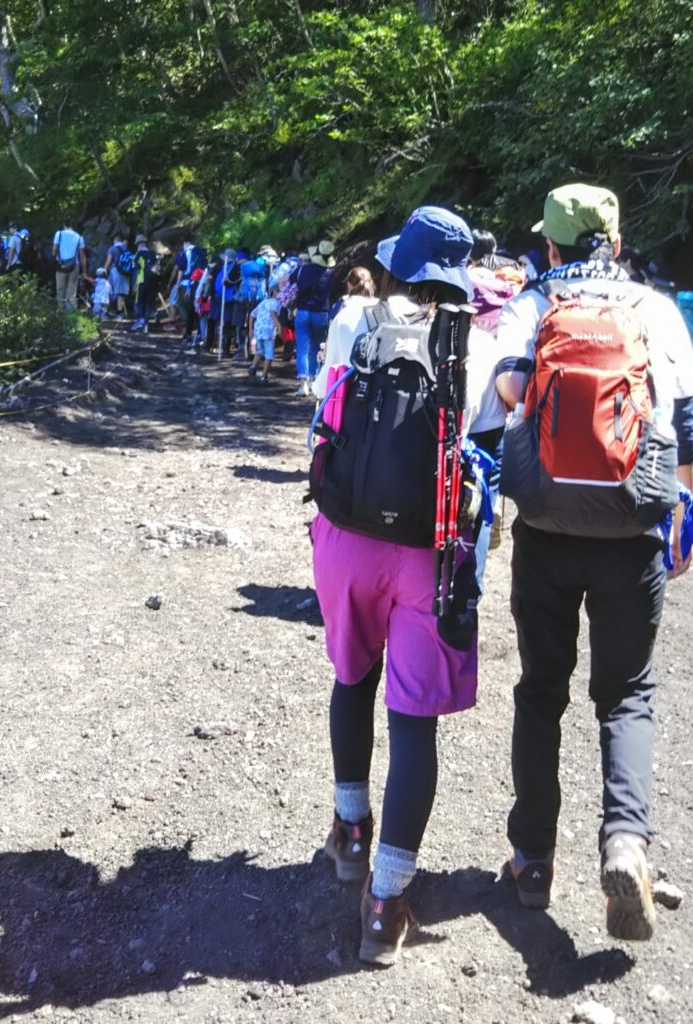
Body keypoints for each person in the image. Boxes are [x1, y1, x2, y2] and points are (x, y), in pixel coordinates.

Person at [494, 183, 693, 941]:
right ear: (614, 242)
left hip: (546, 528)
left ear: (549, 246)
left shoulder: (533, 304)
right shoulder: (654, 308)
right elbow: (684, 420)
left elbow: (510, 393)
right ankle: (624, 843)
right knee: (626, 695)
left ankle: (531, 860)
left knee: (539, 692)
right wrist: (680, 521)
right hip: (632, 531)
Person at [312, 207, 498, 966]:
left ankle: (349, 831)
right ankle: (385, 903)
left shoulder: (350, 322)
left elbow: (319, 419)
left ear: (396, 264)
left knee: (352, 678)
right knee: (413, 721)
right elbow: (482, 449)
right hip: (432, 553)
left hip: (347, 537)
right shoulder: (479, 346)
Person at [312, 266, 376, 399]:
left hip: (348, 387)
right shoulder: (382, 310)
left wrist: (318, 388)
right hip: (377, 387)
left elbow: (332, 359)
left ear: (349, 285)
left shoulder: (343, 314)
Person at [292, 240, 336, 396]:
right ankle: (313, 381)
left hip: (303, 311)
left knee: (302, 348)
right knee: (317, 348)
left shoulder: (303, 269)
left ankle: (302, 385)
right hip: (321, 313)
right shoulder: (331, 272)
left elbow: (289, 284)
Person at [247, 285, 282, 383]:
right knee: (269, 354)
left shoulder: (263, 302)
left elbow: (252, 314)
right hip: (268, 330)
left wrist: (251, 329)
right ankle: (264, 375)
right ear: (274, 292)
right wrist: (279, 326)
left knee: (260, 350)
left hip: (259, 329)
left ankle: (253, 366)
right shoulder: (276, 303)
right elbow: (273, 314)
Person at [53, 220, 87, 310]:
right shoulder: (79, 237)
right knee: (72, 291)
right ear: (72, 225)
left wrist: (55, 258)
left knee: (60, 290)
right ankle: (71, 313)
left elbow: (54, 250)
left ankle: (60, 312)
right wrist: (84, 271)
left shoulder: (58, 234)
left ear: (63, 224)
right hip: (74, 266)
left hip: (60, 265)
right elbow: (82, 256)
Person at [130, 235, 159, 332]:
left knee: (139, 301)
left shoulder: (138, 255)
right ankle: (146, 324)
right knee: (148, 303)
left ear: (138, 244)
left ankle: (140, 321)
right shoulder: (153, 254)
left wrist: (133, 285)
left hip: (141, 280)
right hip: (152, 281)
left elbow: (135, 269)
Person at [103, 235, 131, 316]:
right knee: (121, 293)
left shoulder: (112, 248)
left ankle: (105, 311)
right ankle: (119, 313)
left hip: (115, 272)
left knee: (108, 290)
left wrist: (104, 271)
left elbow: (108, 262)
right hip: (126, 272)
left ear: (115, 241)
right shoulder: (126, 248)